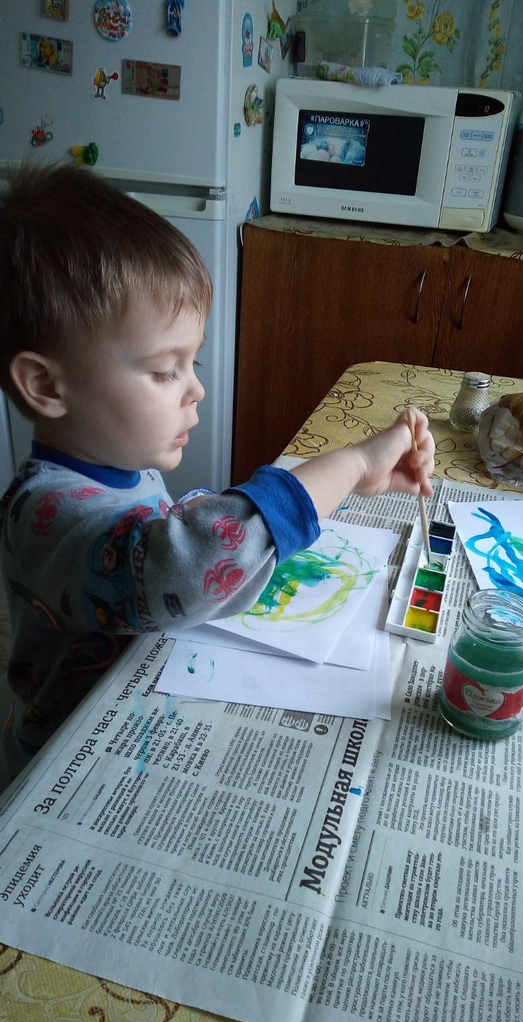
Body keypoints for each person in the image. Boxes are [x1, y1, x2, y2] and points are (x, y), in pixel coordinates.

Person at [0, 163, 434, 789]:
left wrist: (352, 486)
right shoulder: (46, 514)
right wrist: (350, 463)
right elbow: (181, 563)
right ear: (45, 385)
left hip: (139, 709)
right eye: (164, 370)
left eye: (193, 362)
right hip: (64, 773)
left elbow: (183, 527)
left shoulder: (122, 466)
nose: (196, 390)